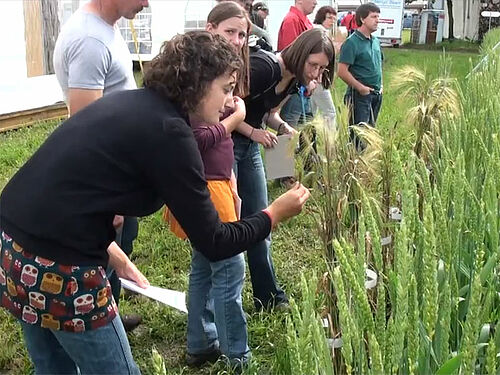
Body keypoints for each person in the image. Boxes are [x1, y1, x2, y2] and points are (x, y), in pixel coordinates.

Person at [0, 31, 310, 374]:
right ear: (196, 82)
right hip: (59, 268)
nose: (229, 102)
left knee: (54, 367)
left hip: (12, 247)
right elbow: (215, 241)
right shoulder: (170, 133)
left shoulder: (136, 103)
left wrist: (115, 257)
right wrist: (273, 214)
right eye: (225, 88)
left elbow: (70, 195)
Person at [164, 2, 254, 369]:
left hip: (216, 182)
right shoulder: (197, 76)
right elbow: (195, 140)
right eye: (230, 31)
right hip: (209, 191)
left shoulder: (206, 72)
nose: (236, 40)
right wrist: (235, 118)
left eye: (242, 34)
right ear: (210, 28)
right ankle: (238, 355)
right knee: (230, 271)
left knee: (204, 265)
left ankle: (200, 341)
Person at [52, 0, 147, 331]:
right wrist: (109, 199)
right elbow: (84, 130)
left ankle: (113, 315)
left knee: (121, 250)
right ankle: (102, 331)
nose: (147, 2)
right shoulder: (89, 40)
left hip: (119, 175)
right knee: (102, 261)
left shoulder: (106, 28)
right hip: (106, 182)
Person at [232, 28, 335, 310]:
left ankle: (268, 296)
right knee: (230, 224)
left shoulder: (293, 79)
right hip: (225, 145)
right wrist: (253, 132)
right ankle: (227, 302)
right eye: (313, 65)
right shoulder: (264, 67)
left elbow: (268, 112)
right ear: (300, 53)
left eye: (322, 68)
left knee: (263, 220)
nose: (315, 73)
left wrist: (282, 127)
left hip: (251, 149)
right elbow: (223, 108)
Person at [338, 2, 383, 130]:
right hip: (359, 96)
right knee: (358, 135)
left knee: (370, 132)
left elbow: (378, 64)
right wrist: (360, 88)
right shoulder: (351, 42)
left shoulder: (375, 41)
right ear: (362, 19)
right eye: (373, 17)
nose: (377, 20)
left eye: (378, 17)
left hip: (376, 94)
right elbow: (341, 71)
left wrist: (381, 85)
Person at [277, 0, 317, 129]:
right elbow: (291, 59)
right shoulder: (292, 20)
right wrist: (306, 81)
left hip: (305, 86)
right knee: (290, 130)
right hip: (294, 86)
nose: (316, 2)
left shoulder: (306, 21)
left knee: (306, 132)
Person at [311, 6, 337, 128]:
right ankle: (329, 141)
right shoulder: (320, 32)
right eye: (329, 18)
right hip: (318, 78)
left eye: (334, 18)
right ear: (321, 17)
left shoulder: (318, 30)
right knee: (330, 112)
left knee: (310, 113)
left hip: (314, 77)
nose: (332, 21)